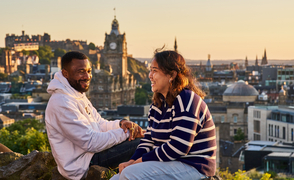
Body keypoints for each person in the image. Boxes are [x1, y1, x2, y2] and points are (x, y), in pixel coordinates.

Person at [111, 50, 217, 180]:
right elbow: (148, 140)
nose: (150, 75)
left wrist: (137, 162)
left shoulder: (187, 99)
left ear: (171, 75)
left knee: (129, 174)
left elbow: (179, 146)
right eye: (150, 70)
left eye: (155, 71)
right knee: (116, 178)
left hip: (195, 167)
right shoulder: (158, 104)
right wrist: (131, 161)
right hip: (170, 164)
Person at [45, 51, 144, 180]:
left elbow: (99, 124)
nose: (87, 76)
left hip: (91, 154)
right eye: (81, 71)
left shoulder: (75, 93)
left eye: (89, 71)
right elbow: (91, 142)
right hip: (82, 164)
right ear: (65, 73)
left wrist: (121, 124)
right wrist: (127, 132)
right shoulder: (62, 103)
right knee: (143, 143)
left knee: (147, 139)